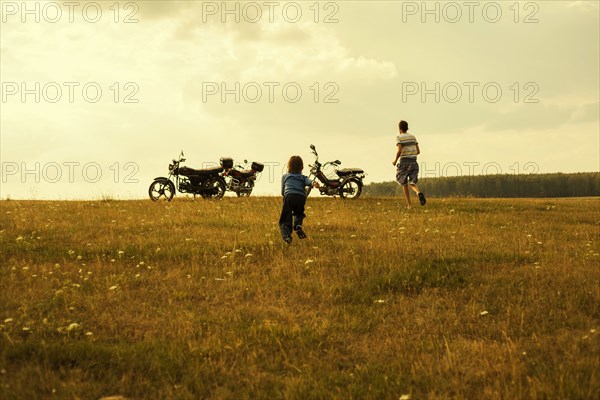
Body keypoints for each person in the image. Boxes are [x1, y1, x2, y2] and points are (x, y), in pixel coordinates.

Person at [279, 156, 319, 244]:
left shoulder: (285, 176)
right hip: (301, 197)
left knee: (285, 218)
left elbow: (282, 192)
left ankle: (287, 236)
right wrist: (314, 183)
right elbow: (309, 181)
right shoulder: (303, 177)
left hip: (289, 196)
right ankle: (298, 225)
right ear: (302, 167)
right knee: (299, 213)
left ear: (289, 166)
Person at [392, 120, 426, 209]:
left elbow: (399, 150)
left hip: (404, 162)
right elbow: (418, 151)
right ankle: (418, 192)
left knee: (404, 183)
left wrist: (395, 161)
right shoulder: (413, 137)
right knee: (412, 182)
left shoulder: (399, 137)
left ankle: (409, 205)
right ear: (407, 128)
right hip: (414, 161)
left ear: (400, 129)